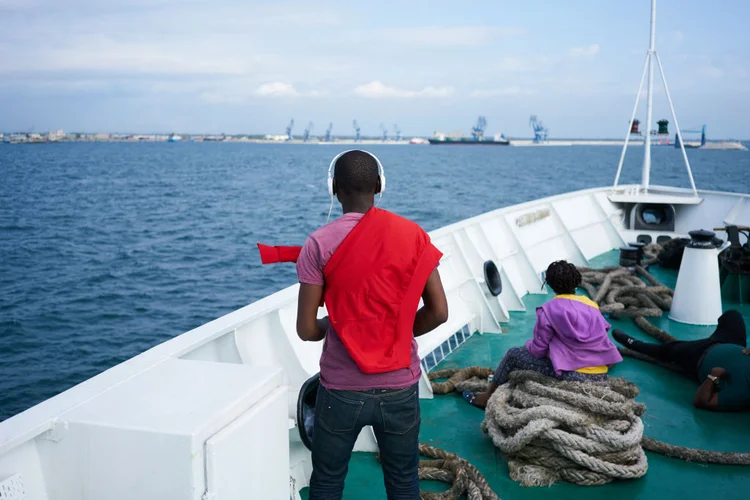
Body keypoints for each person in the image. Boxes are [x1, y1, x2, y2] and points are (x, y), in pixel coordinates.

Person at [295, 150, 449, 500]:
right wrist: (391, 332)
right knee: (404, 481)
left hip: (340, 390)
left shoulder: (318, 243)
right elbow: (439, 312)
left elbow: (306, 330)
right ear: (380, 185)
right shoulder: (413, 236)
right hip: (400, 387)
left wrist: (337, 327)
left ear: (333, 188)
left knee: (327, 482)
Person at [463, 260, 622, 409]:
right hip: (600, 373)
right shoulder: (591, 304)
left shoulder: (548, 310)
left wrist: (527, 346)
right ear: (577, 281)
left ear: (550, 284)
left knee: (513, 355)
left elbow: (538, 350)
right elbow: (603, 330)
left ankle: (487, 397)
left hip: (573, 375)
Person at [612, 310, 750, 411]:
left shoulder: (741, 393)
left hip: (700, 355)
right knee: (733, 315)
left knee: (668, 350)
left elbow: (701, 401)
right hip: (730, 342)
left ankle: (633, 343)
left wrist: (714, 376)